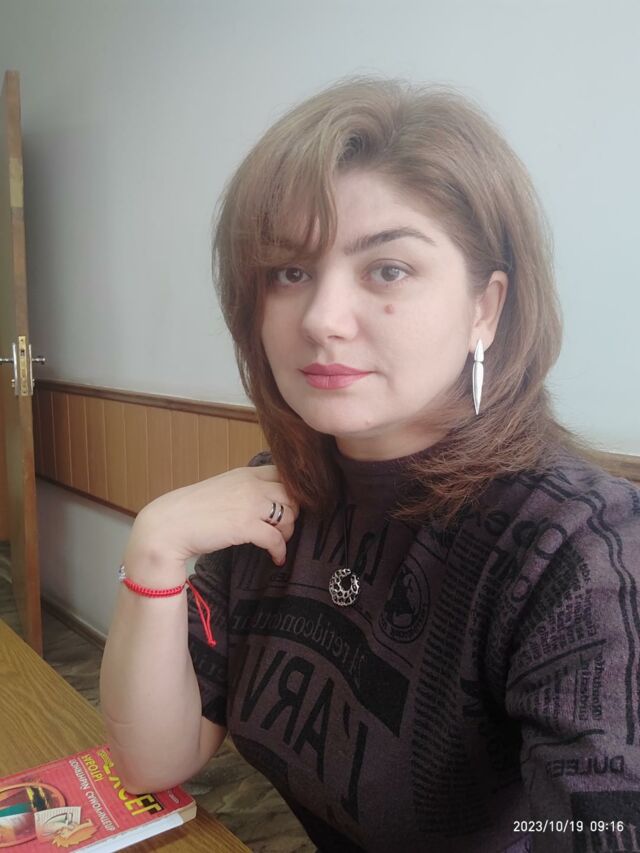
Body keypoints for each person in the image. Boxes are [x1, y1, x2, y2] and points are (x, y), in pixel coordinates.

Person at [100, 76, 640, 852]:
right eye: (289, 272)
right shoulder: (276, 493)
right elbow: (153, 758)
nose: (322, 319)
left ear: (485, 307)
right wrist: (155, 547)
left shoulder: (573, 544)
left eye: (387, 269)